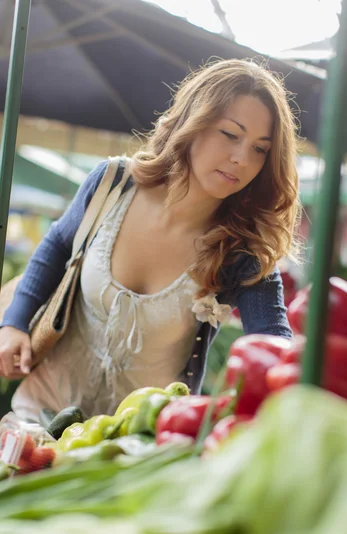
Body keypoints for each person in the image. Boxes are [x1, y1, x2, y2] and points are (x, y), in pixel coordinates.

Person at [0, 59, 301, 422]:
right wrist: (14, 323)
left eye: (260, 149)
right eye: (230, 134)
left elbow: (273, 343)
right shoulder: (112, 184)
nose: (241, 158)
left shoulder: (242, 251)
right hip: (35, 416)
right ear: (194, 121)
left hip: (137, 450)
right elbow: (57, 245)